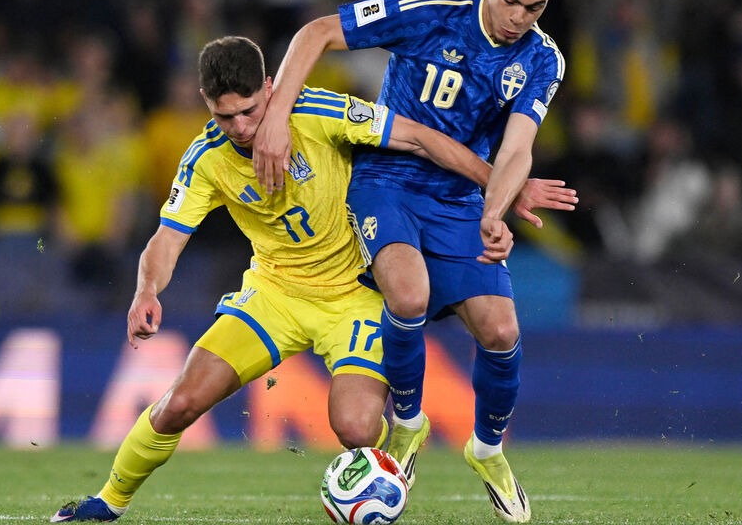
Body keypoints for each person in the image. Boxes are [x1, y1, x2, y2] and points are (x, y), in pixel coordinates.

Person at [51, 35, 531, 522]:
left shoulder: (318, 112)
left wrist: (502, 187)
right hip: (274, 294)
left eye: (250, 111)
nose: (241, 127)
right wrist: (146, 290)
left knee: (356, 429)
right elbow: (167, 239)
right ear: (205, 104)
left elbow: (418, 138)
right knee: (180, 403)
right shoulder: (205, 158)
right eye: (225, 116)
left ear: (269, 87)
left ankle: (395, 452)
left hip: (355, 294)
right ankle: (108, 501)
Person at [253, 0, 570, 522]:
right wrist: (275, 116)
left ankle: (487, 448)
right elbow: (317, 32)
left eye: (535, 7)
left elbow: (517, 149)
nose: (518, 17)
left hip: (459, 200)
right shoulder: (431, 11)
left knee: (502, 332)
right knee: (408, 294)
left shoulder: (541, 58)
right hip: (387, 182)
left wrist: (494, 213)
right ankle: (407, 422)